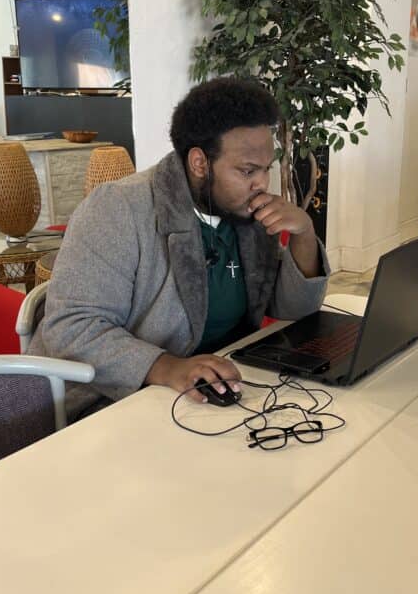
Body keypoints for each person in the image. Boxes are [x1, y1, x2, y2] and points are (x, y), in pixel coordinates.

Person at [28, 77, 330, 417]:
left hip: (220, 389)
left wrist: (304, 232)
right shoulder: (118, 208)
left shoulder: (245, 212)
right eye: (248, 170)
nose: (262, 183)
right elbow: (70, 326)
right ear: (199, 163)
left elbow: (295, 310)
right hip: (116, 401)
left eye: (266, 169)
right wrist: (167, 367)